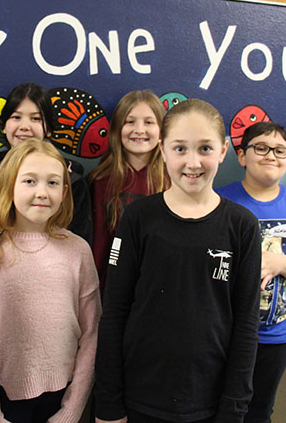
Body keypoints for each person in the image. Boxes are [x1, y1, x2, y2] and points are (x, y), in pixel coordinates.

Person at [94, 99, 261, 423]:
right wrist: (108, 404)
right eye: (180, 148)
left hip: (210, 405)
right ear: (163, 149)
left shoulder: (242, 226)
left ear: (223, 150)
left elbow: (245, 327)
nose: (193, 162)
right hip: (138, 399)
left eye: (205, 148)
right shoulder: (138, 219)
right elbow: (114, 313)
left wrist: (233, 410)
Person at [0, 139, 101, 423]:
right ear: (8, 185)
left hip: (61, 395)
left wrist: (72, 408)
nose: (42, 192)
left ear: (65, 192)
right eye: (29, 181)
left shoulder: (78, 251)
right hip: (1, 400)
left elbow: (91, 333)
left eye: (53, 183)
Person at [217, 122, 286, 423]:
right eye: (261, 148)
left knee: (259, 412)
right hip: (222, 334)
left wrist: (280, 263)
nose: (271, 155)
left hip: (276, 336)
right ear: (242, 156)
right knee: (220, 409)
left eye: (280, 150)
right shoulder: (218, 202)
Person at [0, 83, 92, 254]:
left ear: (48, 128)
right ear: (4, 126)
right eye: (16, 117)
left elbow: (79, 235)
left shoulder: (71, 175)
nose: (25, 126)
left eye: (36, 119)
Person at [89, 90, 168, 295]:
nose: (139, 129)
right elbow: (98, 244)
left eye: (149, 122)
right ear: (117, 129)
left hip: (161, 288)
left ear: (162, 130)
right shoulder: (100, 182)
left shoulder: (174, 181)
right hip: (112, 289)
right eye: (129, 121)